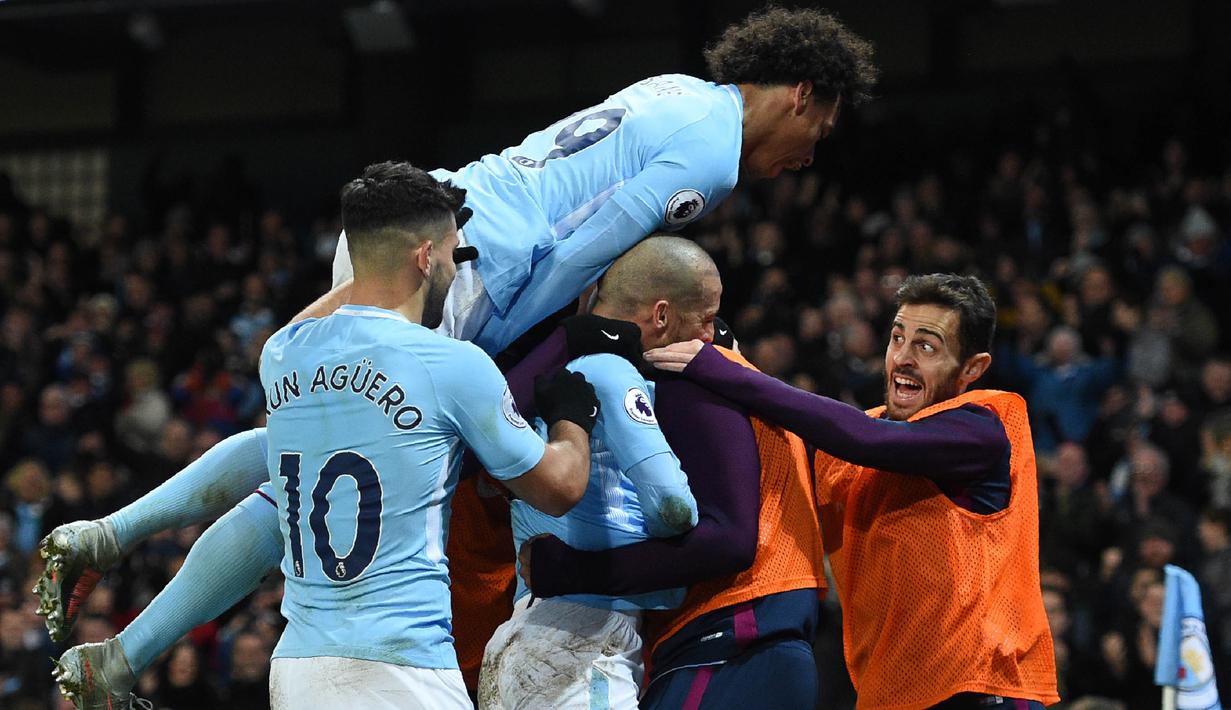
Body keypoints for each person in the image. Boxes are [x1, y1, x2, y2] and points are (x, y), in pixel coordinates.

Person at [37, 6, 878, 704]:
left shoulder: (678, 90)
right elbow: (583, 253)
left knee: (304, 444)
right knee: (327, 463)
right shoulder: (713, 157)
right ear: (800, 95)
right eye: (821, 127)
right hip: (465, 263)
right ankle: (123, 650)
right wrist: (533, 350)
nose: (809, 154)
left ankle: (113, 540)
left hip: (433, 217)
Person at [55, 163, 602, 710]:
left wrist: (373, 264)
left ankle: (113, 544)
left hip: (299, 668)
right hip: (399, 669)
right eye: (450, 254)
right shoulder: (453, 365)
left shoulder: (284, 355)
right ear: (425, 256)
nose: (453, 267)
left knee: (276, 457)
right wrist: (572, 416)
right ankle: (115, 579)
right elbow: (559, 489)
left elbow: (297, 328)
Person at [644, 273, 1060, 709]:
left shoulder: (983, 427)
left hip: (983, 689)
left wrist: (720, 369)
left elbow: (866, 439)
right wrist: (727, 354)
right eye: (897, 338)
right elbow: (809, 431)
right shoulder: (852, 443)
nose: (903, 358)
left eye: (926, 347)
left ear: (972, 368)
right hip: (894, 694)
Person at [519, 334, 827, 709]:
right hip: (756, 640)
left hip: (730, 635)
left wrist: (568, 571)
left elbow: (726, 541)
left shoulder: (696, 376)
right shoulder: (754, 391)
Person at [480, 236, 718, 708]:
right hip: (579, 645)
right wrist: (671, 567)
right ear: (662, 315)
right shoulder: (611, 371)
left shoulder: (552, 378)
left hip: (524, 637)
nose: (711, 336)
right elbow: (673, 507)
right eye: (706, 318)